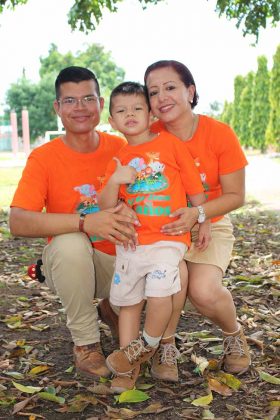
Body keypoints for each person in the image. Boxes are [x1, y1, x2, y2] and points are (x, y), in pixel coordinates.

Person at [9, 66, 139, 379]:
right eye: (69, 101)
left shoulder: (123, 148)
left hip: (123, 260)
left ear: (100, 103)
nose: (79, 108)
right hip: (71, 264)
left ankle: (113, 309)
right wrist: (84, 223)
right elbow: (18, 221)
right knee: (70, 243)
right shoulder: (44, 157)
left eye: (87, 99)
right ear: (57, 108)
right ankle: (86, 343)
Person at [98, 81, 211, 392]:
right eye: (121, 110)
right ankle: (127, 366)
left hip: (167, 239)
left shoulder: (170, 145)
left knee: (161, 293)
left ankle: (146, 344)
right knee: (129, 303)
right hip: (131, 244)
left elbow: (194, 188)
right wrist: (115, 181)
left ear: (151, 116)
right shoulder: (118, 160)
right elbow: (105, 206)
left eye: (137, 108)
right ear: (112, 121)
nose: (130, 114)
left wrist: (204, 221)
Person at [143, 60, 251, 380]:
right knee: (171, 280)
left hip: (211, 222)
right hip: (162, 226)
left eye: (171, 87)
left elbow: (236, 195)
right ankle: (166, 346)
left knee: (203, 291)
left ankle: (234, 336)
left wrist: (199, 213)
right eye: (153, 91)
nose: (162, 96)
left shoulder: (219, 133)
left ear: (190, 92)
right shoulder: (146, 137)